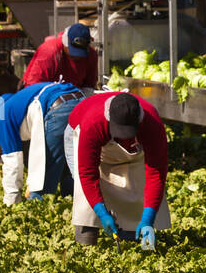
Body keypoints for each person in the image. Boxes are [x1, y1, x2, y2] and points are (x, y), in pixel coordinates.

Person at [64, 91, 170, 250]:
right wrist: (102, 213)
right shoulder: (94, 122)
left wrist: (148, 220)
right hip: (79, 131)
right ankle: (86, 242)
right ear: (109, 119)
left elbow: (156, 174)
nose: (124, 136)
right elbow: (87, 174)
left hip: (124, 148)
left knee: (133, 187)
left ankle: (131, 236)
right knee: (84, 197)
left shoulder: (152, 124)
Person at [0, 82, 86, 205]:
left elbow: (12, 162)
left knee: (42, 177)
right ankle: (75, 203)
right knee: (71, 163)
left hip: (58, 106)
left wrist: (11, 202)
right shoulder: (14, 103)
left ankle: (38, 207)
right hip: (80, 100)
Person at [21, 23, 98, 90]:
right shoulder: (49, 52)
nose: (77, 56)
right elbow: (33, 86)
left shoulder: (91, 55)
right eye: (73, 51)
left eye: (80, 52)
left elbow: (89, 86)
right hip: (43, 95)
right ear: (65, 42)